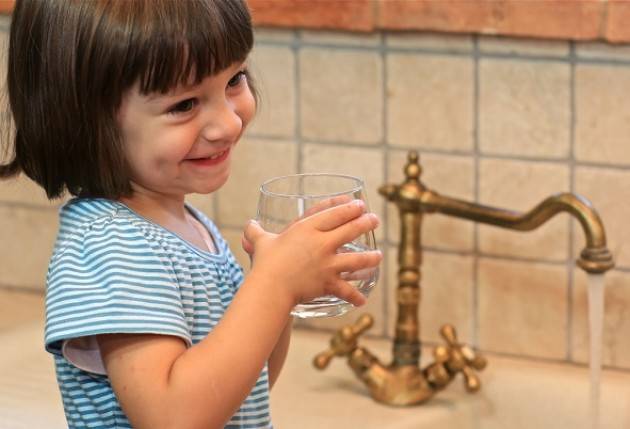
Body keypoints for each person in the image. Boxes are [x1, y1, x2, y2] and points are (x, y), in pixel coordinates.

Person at [0, 1, 382, 428]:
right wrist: (273, 285)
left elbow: (243, 391)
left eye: (234, 79)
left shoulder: (187, 226)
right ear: (83, 120)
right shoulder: (108, 244)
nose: (228, 123)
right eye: (184, 105)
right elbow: (175, 418)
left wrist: (279, 290)